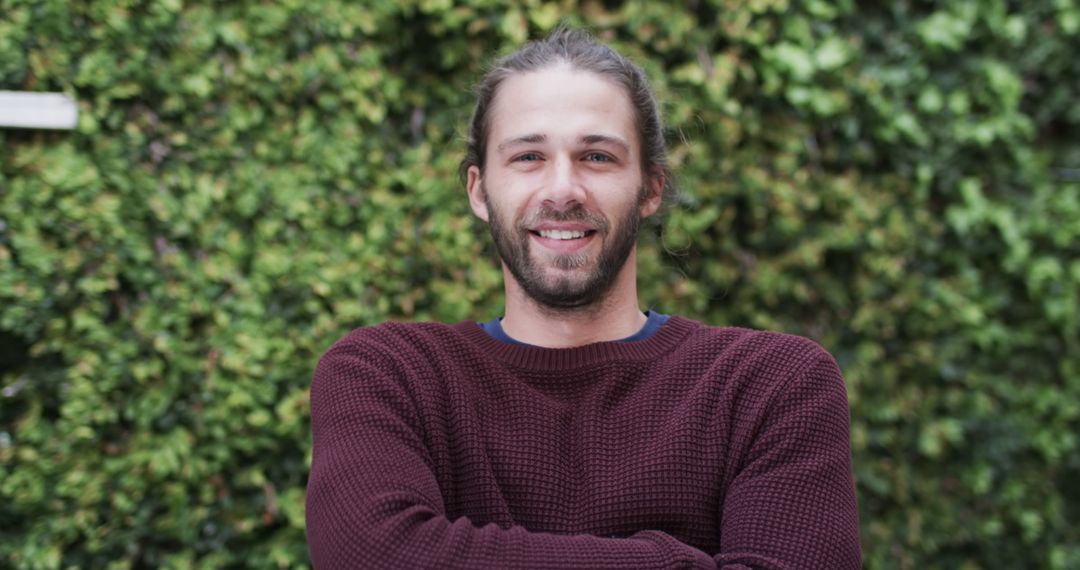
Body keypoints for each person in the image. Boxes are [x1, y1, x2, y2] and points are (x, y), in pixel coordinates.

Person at [305, 27, 861, 569]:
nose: (562, 189)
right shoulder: (388, 375)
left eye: (597, 156)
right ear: (479, 191)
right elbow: (373, 555)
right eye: (528, 157)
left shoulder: (771, 384)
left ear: (650, 189)